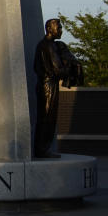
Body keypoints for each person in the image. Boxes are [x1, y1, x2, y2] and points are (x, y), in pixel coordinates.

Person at [33, 18, 82, 158]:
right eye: (58, 28)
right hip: (48, 86)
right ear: (49, 29)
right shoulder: (48, 46)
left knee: (46, 117)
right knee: (47, 118)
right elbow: (57, 69)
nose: (61, 30)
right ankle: (42, 149)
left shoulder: (47, 45)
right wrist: (71, 67)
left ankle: (42, 148)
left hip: (46, 84)